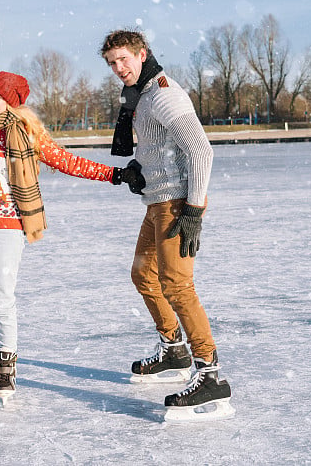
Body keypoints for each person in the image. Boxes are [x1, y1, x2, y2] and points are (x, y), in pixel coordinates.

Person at [0, 71, 143, 424]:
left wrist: (115, 174)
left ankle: (5, 365)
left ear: (12, 102)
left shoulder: (25, 136)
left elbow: (68, 162)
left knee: (1, 301)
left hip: (6, 231)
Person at [100, 30, 233, 421]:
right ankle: (173, 349)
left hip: (178, 203)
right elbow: (158, 147)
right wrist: (139, 170)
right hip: (158, 200)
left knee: (177, 284)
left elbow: (200, 150)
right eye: (112, 63)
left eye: (124, 59)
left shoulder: (162, 92)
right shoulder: (140, 97)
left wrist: (193, 210)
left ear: (142, 54)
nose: (119, 68)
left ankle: (210, 375)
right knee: (144, 275)